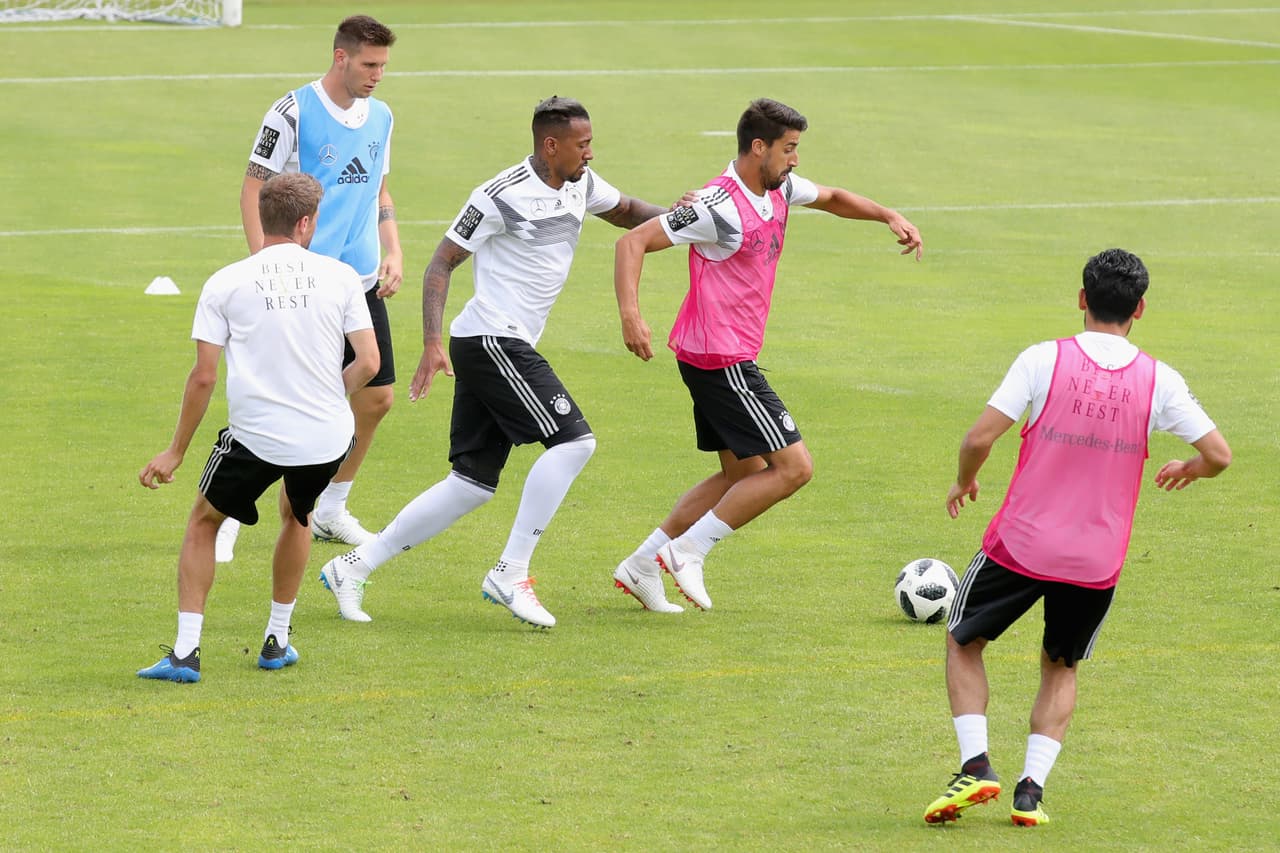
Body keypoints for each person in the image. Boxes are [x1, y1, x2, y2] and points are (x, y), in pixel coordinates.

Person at [317, 96, 677, 629]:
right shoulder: (498, 195)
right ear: (550, 144)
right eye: (583, 145)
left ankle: (353, 567)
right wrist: (432, 342)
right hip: (490, 340)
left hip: (499, 342)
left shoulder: (581, 183)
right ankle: (511, 572)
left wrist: (690, 221)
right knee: (576, 442)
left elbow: (627, 214)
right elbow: (441, 263)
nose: (591, 153)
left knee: (470, 483)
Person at [922, 248, 1231, 826]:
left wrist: (965, 482)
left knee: (963, 642)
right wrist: (1191, 469)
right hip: (1095, 560)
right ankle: (1030, 792)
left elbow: (979, 437)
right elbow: (1218, 454)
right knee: (1061, 666)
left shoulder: (1043, 360)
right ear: (1140, 308)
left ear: (1082, 298)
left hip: (1020, 544)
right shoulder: (1159, 379)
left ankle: (976, 766)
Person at [610, 97, 922, 613]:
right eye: (790, 148)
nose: (796, 159)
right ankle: (687, 552)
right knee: (794, 468)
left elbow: (834, 197)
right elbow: (632, 244)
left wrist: (888, 215)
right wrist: (630, 315)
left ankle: (642, 565)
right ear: (760, 148)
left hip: (713, 352)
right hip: (721, 358)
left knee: (741, 475)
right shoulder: (716, 204)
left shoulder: (777, 186)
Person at [135, 173, 378, 683]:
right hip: (327, 437)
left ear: (264, 218)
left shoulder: (226, 281)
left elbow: (203, 377)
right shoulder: (340, 277)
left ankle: (185, 655)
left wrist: (175, 451)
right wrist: (329, 396)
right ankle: (277, 641)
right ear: (306, 222)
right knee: (298, 515)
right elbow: (369, 363)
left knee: (205, 521)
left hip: (257, 437)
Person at [217, 14, 402, 563]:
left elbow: (379, 188)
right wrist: (265, 266)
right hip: (301, 289)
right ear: (340, 57)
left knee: (376, 396)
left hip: (359, 281)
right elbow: (253, 189)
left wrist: (393, 247)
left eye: (384, 66)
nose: (377, 75)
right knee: (274, 398)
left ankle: (331, 508)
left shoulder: (383, 116)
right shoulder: (292, 112)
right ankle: (226, 509)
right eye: (369, 65)